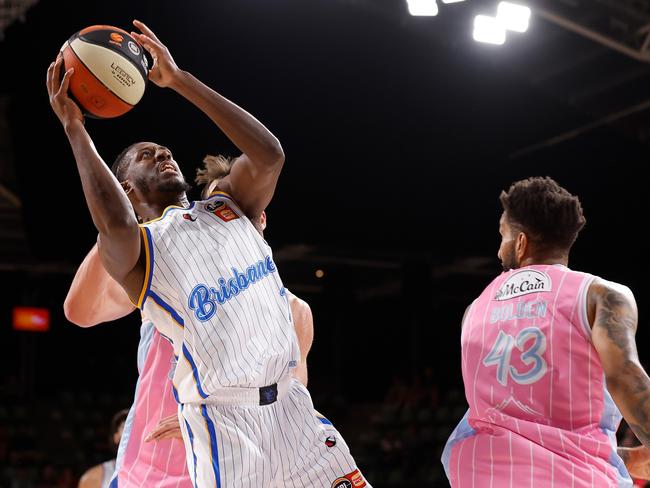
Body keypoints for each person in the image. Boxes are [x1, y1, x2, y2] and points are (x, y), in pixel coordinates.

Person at [48, 19, 368, 488]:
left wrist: (178, 80)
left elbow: (269, 156)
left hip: (278, 428)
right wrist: (76, 129)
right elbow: (88, 288)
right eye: (145, 155)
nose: (161, 151)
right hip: (182, 451)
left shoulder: (228, 214)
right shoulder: (147, 255)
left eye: (163, 148)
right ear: (126, 189)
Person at [64, 157, 315, 488]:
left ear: (259, 216)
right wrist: (115, 221)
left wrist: (211, 421)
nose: (215, 218)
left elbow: (286, 413)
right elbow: (80, 311)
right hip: (149, 472)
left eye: (224, 208)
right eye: (208, 209)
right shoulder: (172, 274)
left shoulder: (294, 311)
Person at [442, 177, 650, 487]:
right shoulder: (601, 295)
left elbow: (513, 427)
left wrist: (622, 456)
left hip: (479, 475)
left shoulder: (474, 310)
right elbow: (625, 379)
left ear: (521, 242)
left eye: (502, 237)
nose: (499, 251)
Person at [78, 410, 128, 488]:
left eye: (138, 425)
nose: (133, 430)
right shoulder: (92, 477)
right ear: (116, 437)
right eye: (127, 425)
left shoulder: (153, 472)